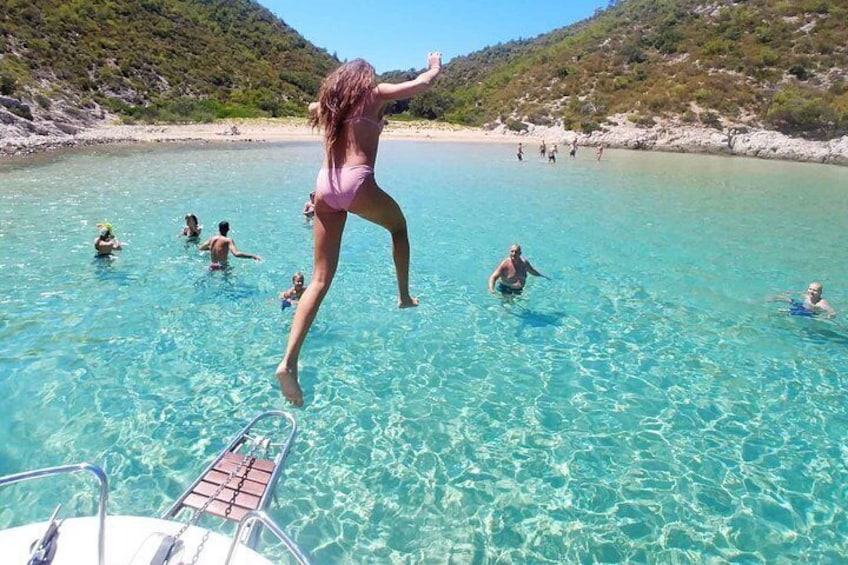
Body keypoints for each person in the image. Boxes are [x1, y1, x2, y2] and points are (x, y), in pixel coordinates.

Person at [274, 52, 442, 406]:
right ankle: (404, 296)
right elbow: (421, 85)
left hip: (325, 185)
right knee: (399, 228)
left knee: (319, 280)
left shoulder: (331, 106)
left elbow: (310, 107)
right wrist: (434, 66)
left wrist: (325, 101)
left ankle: (288, 363)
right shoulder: (375, 93)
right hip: (356, 183)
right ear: (365, 79)